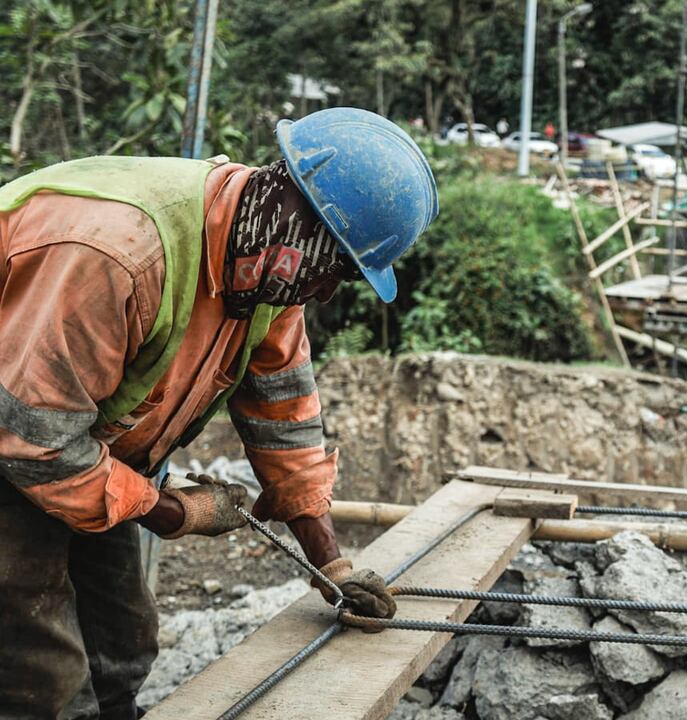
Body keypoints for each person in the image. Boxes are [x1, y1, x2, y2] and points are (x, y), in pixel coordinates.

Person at [0, 106, 439, 719]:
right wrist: (170, 510)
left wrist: (329, 559)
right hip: (19, 442)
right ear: (296, 219)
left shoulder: (271, 265)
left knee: (123, 639)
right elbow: (33, 441)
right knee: (38, 669)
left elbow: (282, 413)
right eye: (334, 268)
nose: (327, 291)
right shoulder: (117, 255)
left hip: (75, 444)